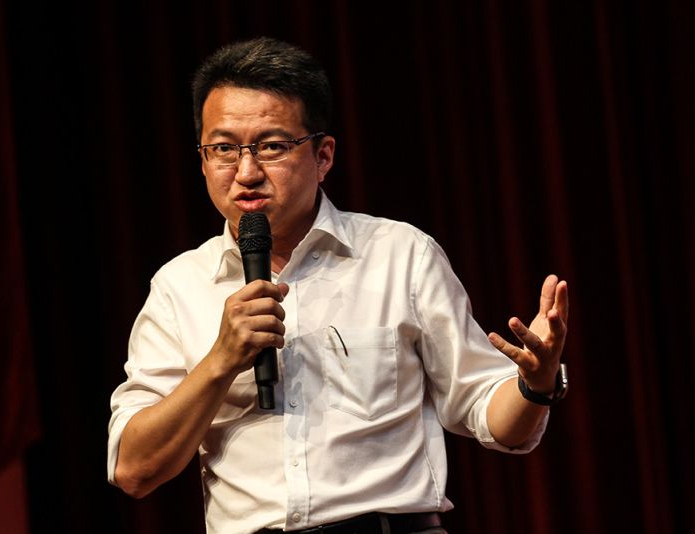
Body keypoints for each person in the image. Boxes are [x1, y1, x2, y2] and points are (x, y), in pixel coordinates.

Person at [107, 37, 569, 534]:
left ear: (323, 155)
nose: (246, 172)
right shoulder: (179, 287)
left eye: (271, 146)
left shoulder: (399, 255)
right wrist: (220, 361)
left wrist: (535, 385)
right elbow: (135, 470)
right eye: (223, 148)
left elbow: (486, 410)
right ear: (202, 159)